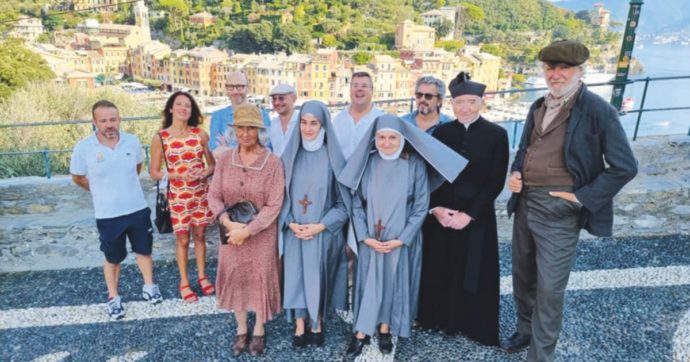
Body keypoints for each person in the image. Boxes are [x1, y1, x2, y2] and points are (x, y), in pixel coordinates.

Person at [502, 40, 638, 361]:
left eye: (564, 68)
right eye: (550, 68)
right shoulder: (537, 105)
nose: (556, 74)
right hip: (526, 202)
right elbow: (524, 151)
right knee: (522, 276)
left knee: (550, 288)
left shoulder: (597, 110)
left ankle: (540, 355)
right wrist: (516, 173)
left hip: (561, 209)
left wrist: (580, 197)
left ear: (579, 71)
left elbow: (625, 166)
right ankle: (524, 330)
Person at [337, 114, 467, 358]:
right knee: (368, 283)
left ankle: (386, 328)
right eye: (381, 137)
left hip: (401, 237)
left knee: (394, 282)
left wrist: (403, 237)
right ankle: (361, 333)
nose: (386, 143)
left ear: (402, 138)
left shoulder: (414, 163)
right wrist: (364, 236)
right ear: (374, 140)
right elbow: (356, 203)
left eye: (392, 137)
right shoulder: (367, 163)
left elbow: (421, 205)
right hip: (371, 237)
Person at [417, 72, 509, 346]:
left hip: (476, 216)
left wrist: (469, 214)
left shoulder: (497, 135)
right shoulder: (442, 133)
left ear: (482, 102)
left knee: (473, 270)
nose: (465, 107)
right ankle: (438, 319)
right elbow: (429, 176)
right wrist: (436, 209)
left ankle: (472, 325)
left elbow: (495, 181)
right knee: (440, 267)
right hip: (443, 214)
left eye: (471, 101)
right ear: (452, 104)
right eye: (460, 102)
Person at [70, 100, 162, 320]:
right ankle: (113, 297)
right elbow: (77, 177)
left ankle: (149, 286)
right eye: (103, 120)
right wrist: (99, 191)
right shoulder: (84, 147)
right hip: (108, 214)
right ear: (94, 122)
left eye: (113, 119)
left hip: (137, 208)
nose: (109, 124)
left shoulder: (132, 141)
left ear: (119, 119)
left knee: (144, 251)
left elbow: (137, 167)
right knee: (113, 257)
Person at [208, 103, 285, 356]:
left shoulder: (273, 163)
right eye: (241, 127)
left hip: (261, 235)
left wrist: (248, 230)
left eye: (251, 128)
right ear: (234, 130)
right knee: (236, 277)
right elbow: (214, 195)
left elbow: (274, 204)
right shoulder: (225, 160)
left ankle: (260, 329)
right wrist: (227, 222)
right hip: (230, 233)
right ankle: (241, 328)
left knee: (260, 278)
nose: (245, 133)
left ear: (259, 131)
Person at [278, 100, 350, 348]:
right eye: (304, 122)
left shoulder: (334, 160)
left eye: (314, 123)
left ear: (324, 125)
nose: (308, 128)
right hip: (295, 231)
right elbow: (278, 199)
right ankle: (299, 322)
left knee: (319, 276)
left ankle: (317, 320)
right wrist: (290, 223)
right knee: (296, 275)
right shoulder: (288, 158)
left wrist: (320, 226)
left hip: (322, 233)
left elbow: (344, 205)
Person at [150, 91, 215, 303]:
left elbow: (212, 165)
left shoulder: (200, 135)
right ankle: (184, 282)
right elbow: (154, 172)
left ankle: (202, 276)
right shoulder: (161, 138)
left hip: (200, 194)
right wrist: (177, 174)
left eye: (187, 105)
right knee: (183, 240)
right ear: (171, 109)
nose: (183, 108)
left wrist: (204, 172)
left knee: (200, 237)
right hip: (178, 196)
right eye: (179, 104)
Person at [208, 71, 271, 155]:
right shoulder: (217, 116)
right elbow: (215, 151)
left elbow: (266, 150)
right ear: (226, 89)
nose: (235, 91)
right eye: (231, 87)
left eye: (239, 87)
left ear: (248, 88)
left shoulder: (263, 115)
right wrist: (249, 150)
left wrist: (227, 150)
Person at [331, 71, 385, 160]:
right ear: (350, 90)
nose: (359, 89)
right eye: (355, 86)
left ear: (372, 91)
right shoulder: (338, 119)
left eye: (364, 86)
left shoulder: (381, 119)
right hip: (340, 173)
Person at [268, 83, 299, 156]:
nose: (277, 102)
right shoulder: (272, 124)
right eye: (274, 99)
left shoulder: (302, 123)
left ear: (293, 98)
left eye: (281, 98)